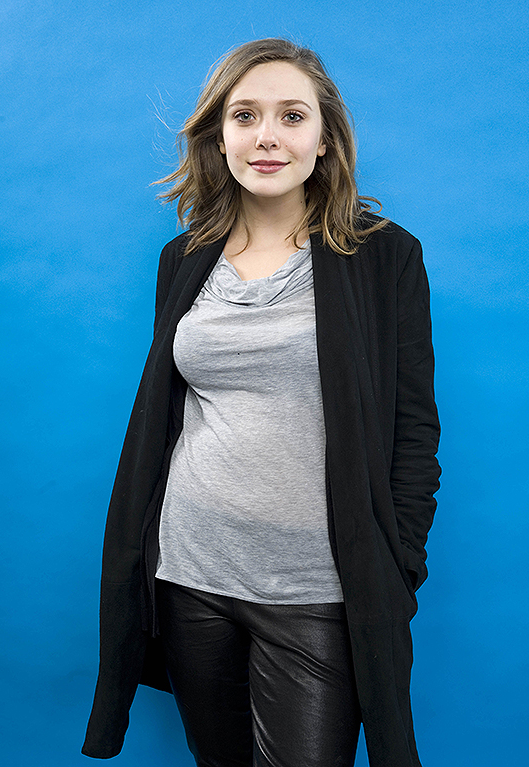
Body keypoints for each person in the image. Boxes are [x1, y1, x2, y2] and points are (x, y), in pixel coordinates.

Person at [82, 38, 441, 767]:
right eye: (245, 115)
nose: (267, 135)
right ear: (220, 135)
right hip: (191, 575)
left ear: (325, 139)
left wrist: (396, 564)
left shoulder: (383, 257)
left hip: (316, 590)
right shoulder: (184, 259)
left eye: (291, 115)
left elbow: (414, 433)